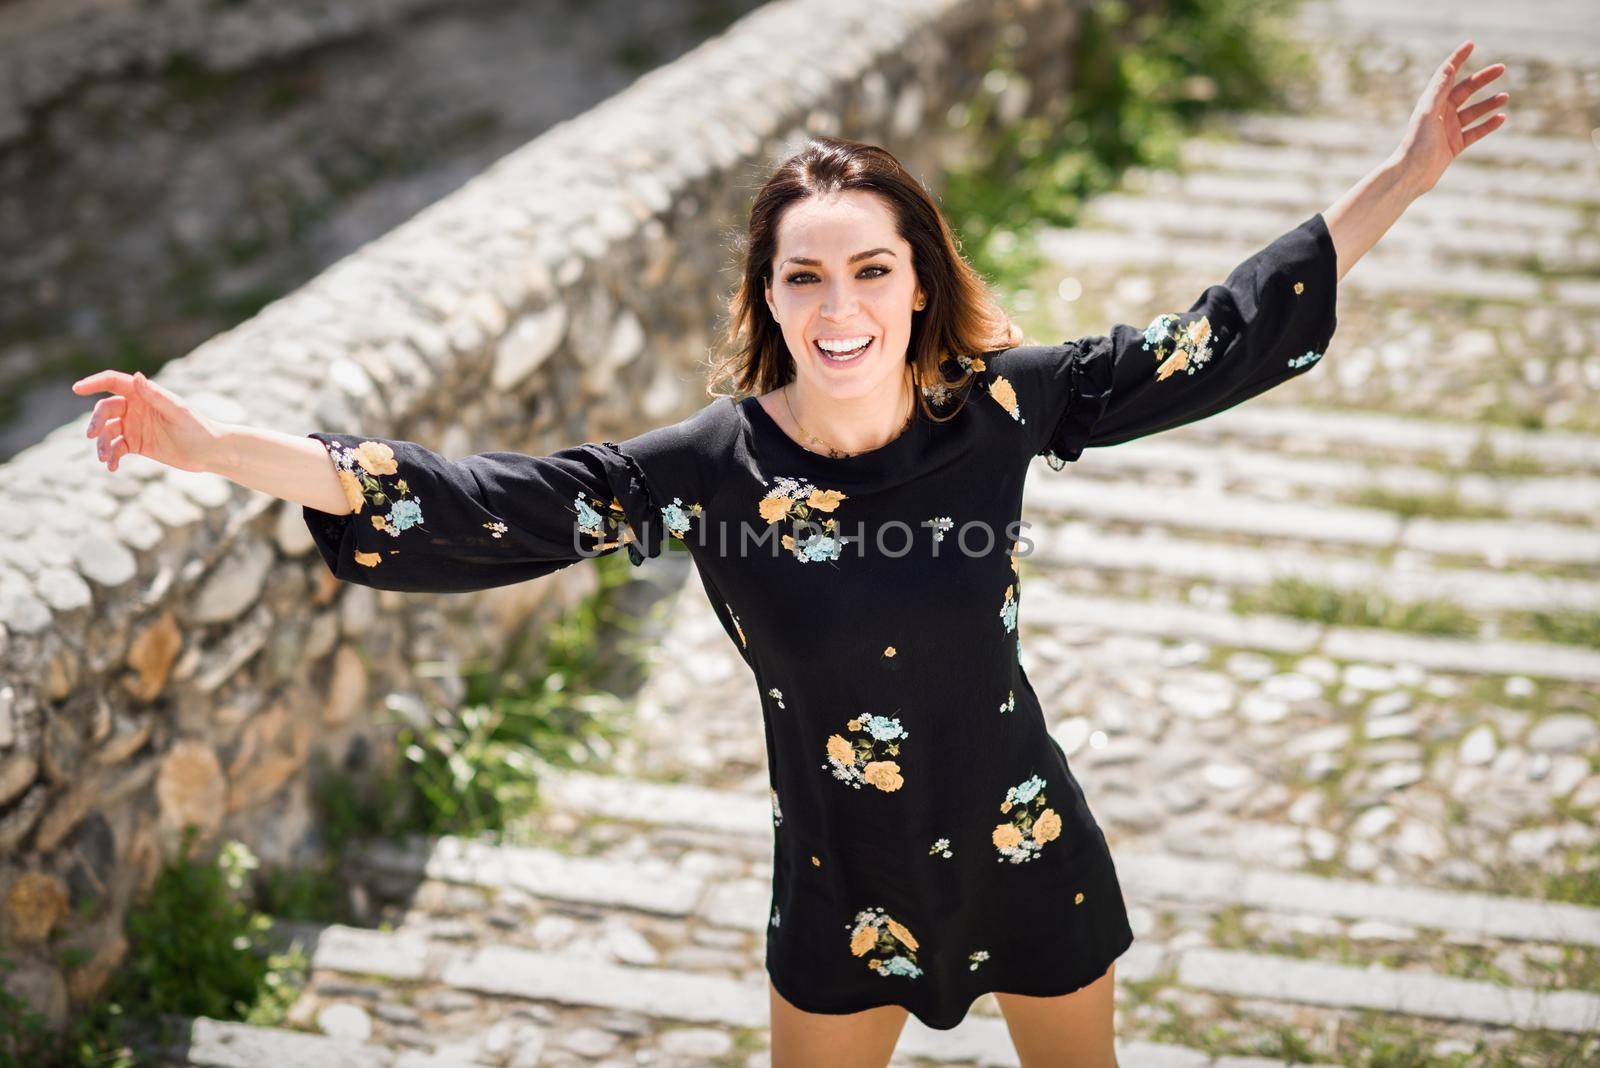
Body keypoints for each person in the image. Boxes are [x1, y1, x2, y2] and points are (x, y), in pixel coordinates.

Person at [72, 41, 1504, 1067]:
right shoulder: (708, 470)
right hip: (839, 874)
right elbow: (482, 497)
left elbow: (1213, 337)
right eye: (805, 273)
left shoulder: (1004, 404)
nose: (841, 303)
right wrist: (213, 450)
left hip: (1024, 840)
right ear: (767, 293)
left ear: (920, 280)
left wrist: (1404, 173)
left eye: (873, 268)